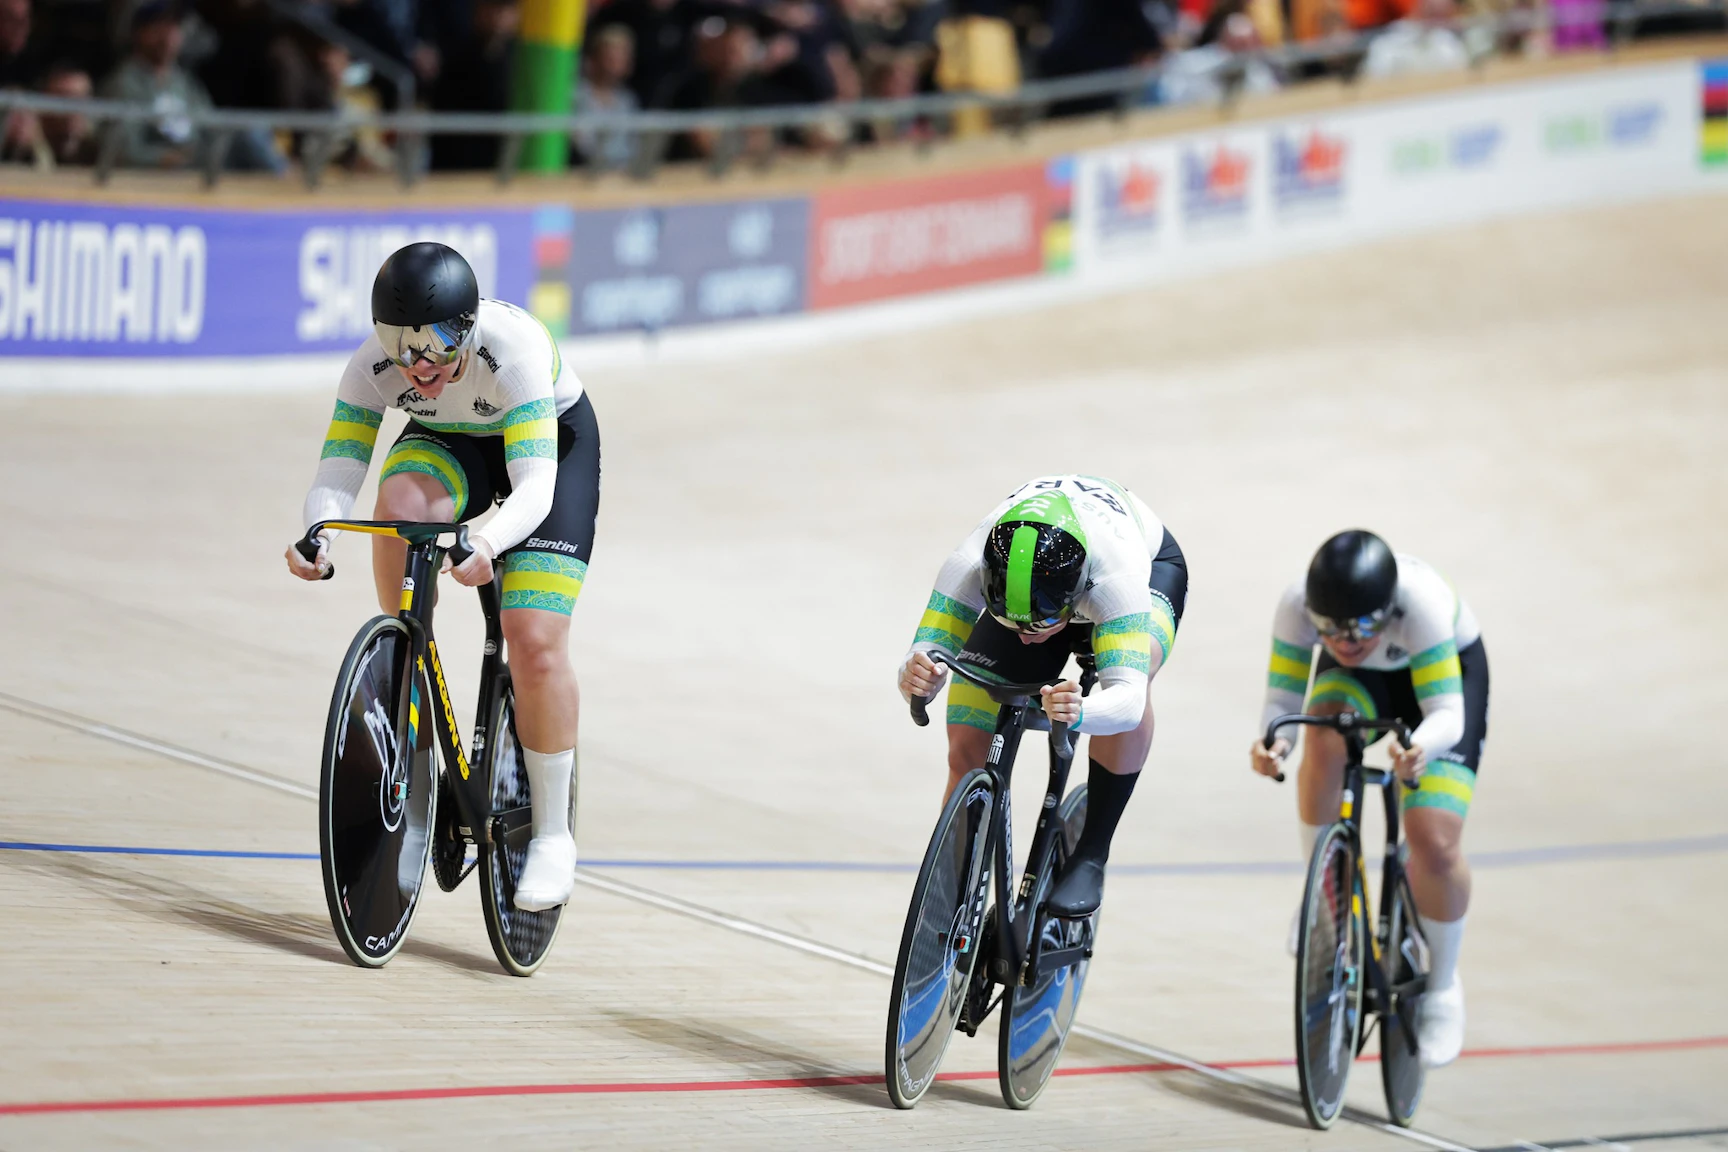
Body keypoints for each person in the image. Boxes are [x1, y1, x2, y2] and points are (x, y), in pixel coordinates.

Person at [286, 242, 599, 913]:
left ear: (469, 326)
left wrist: (485, 541)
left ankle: (551, 835)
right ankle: (406, 666)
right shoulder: (372, 366)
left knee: (534, 637)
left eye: (436, 347)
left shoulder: (509, 350)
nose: (419, 366)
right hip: (452, 444)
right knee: (398, 507)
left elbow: (535, 488)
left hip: (550, 449)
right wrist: (318, 529)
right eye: (402, 347)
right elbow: (341, 467)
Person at [1249, 530, 1488, 1068]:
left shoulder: (1421, 606)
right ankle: (1324, 896)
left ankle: (1444, 986)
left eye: (1360, 627)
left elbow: (1447, 716)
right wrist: (1273, 742)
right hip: (1361, 684)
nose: (1346, 639)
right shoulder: (1299, 608)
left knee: (1433, 840)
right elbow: (1282, 702)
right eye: (1330, 629)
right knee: (1323, 733)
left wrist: (1417, 748)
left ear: (1387, 610)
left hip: (1441, 686)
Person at [898, 476, 1188, 918]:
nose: (1026, 640)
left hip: (1147, 570)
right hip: (1036, 588)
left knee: (1140, 666)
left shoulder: (1116, 581)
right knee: (965, 750)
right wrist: (917, 675)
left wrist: (1079, 711)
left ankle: (1091, 852)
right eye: (1012, 624)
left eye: (1038, 627)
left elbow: (1126, 702)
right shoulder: (970, 561)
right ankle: (950, 899)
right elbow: (926, 652)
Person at [98, 0, 214, 169]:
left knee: (245, 140)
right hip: (154, 180)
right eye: (157, 24)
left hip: (199, 171)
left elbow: (213, 130)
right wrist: (168, 158)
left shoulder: (186, 83)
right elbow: (124, 150)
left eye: (174, 24)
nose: (168, 34)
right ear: (137, 31)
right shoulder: (124, 84)